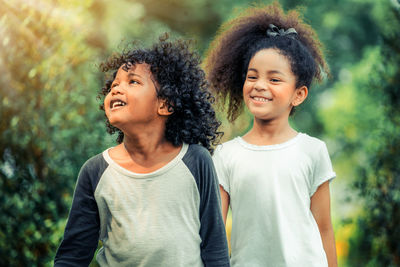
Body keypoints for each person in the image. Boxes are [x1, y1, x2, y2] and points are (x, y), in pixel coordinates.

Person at [54, 34, 230, 267]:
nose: (116, 89)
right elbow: (72, 257)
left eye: (132, 82)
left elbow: (215, 249)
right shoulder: (95, 171)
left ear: (165, 104)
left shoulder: (196, 161)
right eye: (114, 84)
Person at [204, 3, 337, 267]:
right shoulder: (227, 155)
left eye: (274, 80)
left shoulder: (313, 150)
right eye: (252, 77)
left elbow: (324, 228)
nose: (260, 86)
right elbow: (215, 234)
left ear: (298, 95)